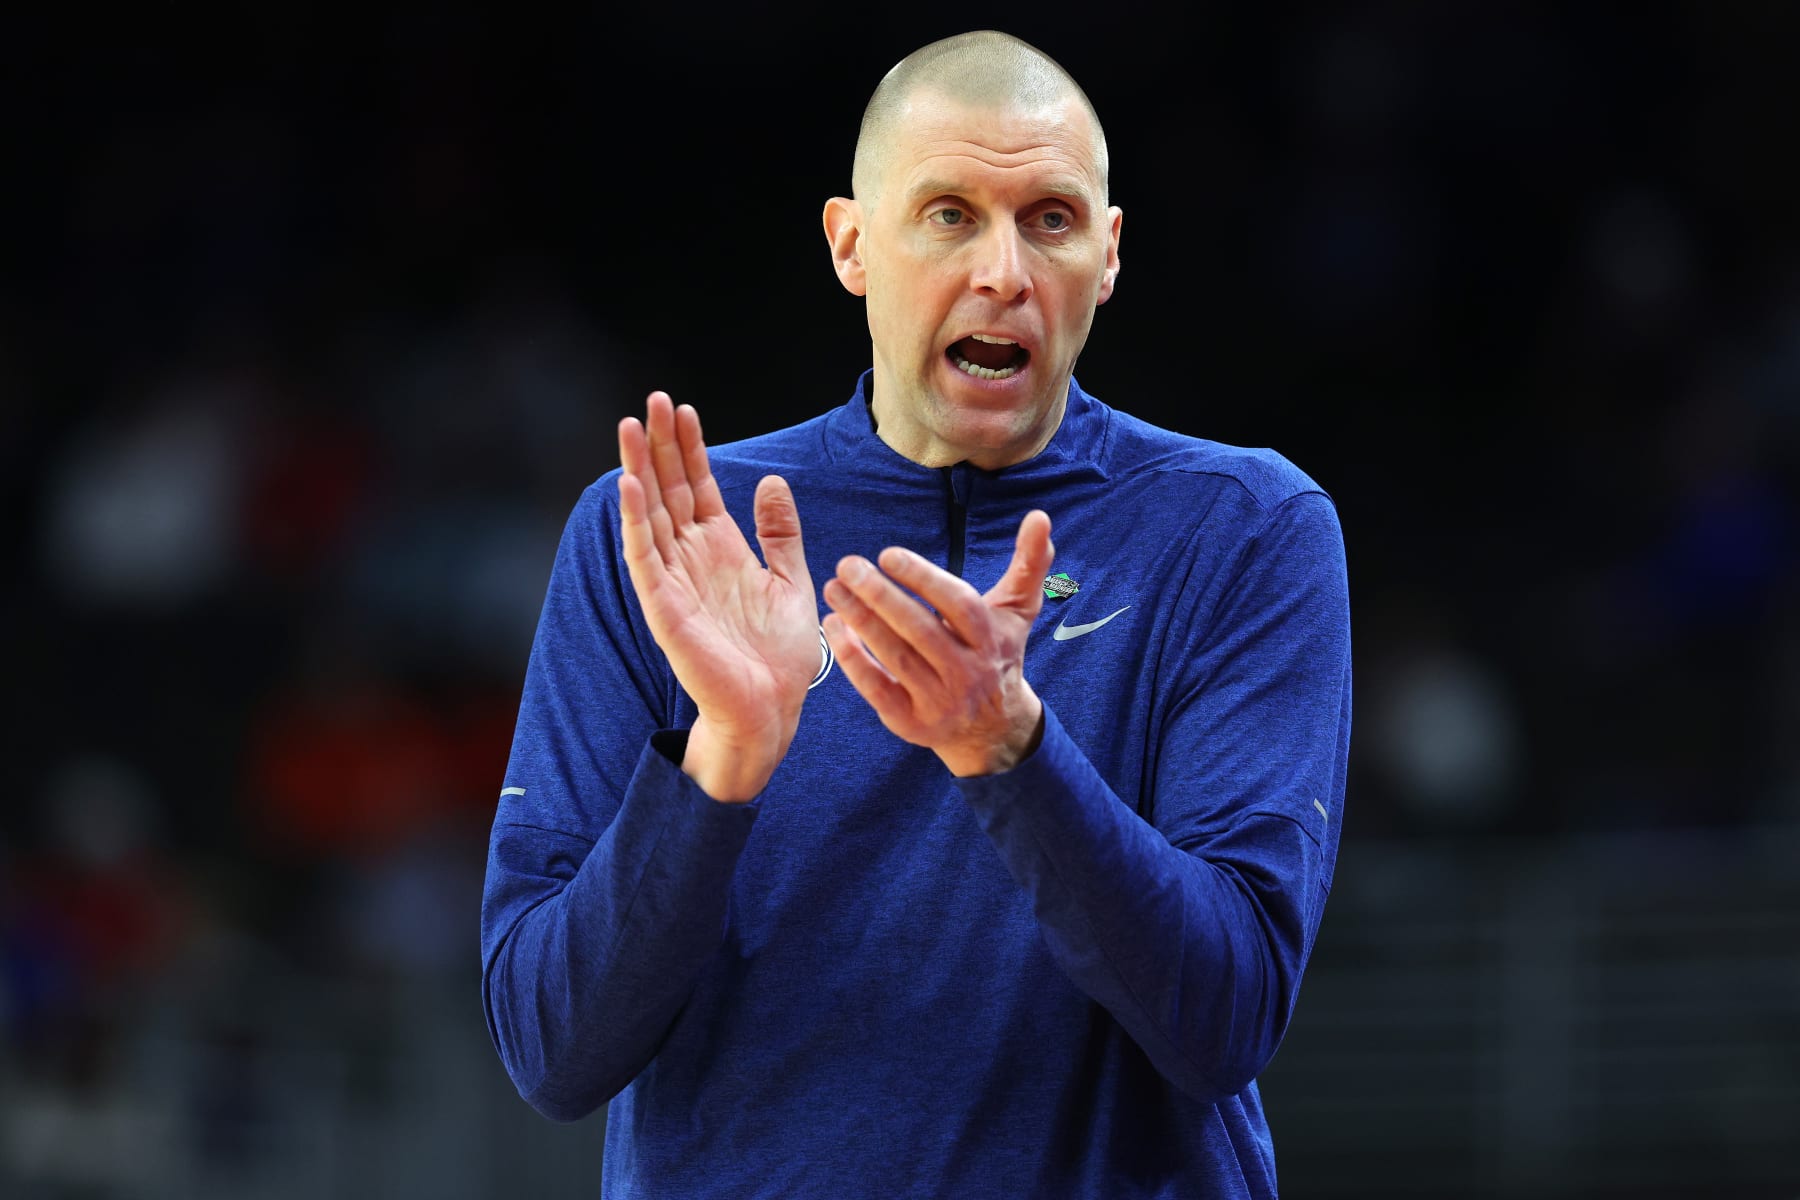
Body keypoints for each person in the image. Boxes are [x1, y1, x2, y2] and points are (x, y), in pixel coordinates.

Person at [481, 29, 1351, 1199]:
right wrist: (720, 757)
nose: (1004, 271)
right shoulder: (670, 539)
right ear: (852, 245)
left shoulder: (1242, 527)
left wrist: (1012, 752)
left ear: (1108, 256)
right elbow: (554, 1050)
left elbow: (1227, 1017)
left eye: (1050, 218)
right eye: (948, 214)